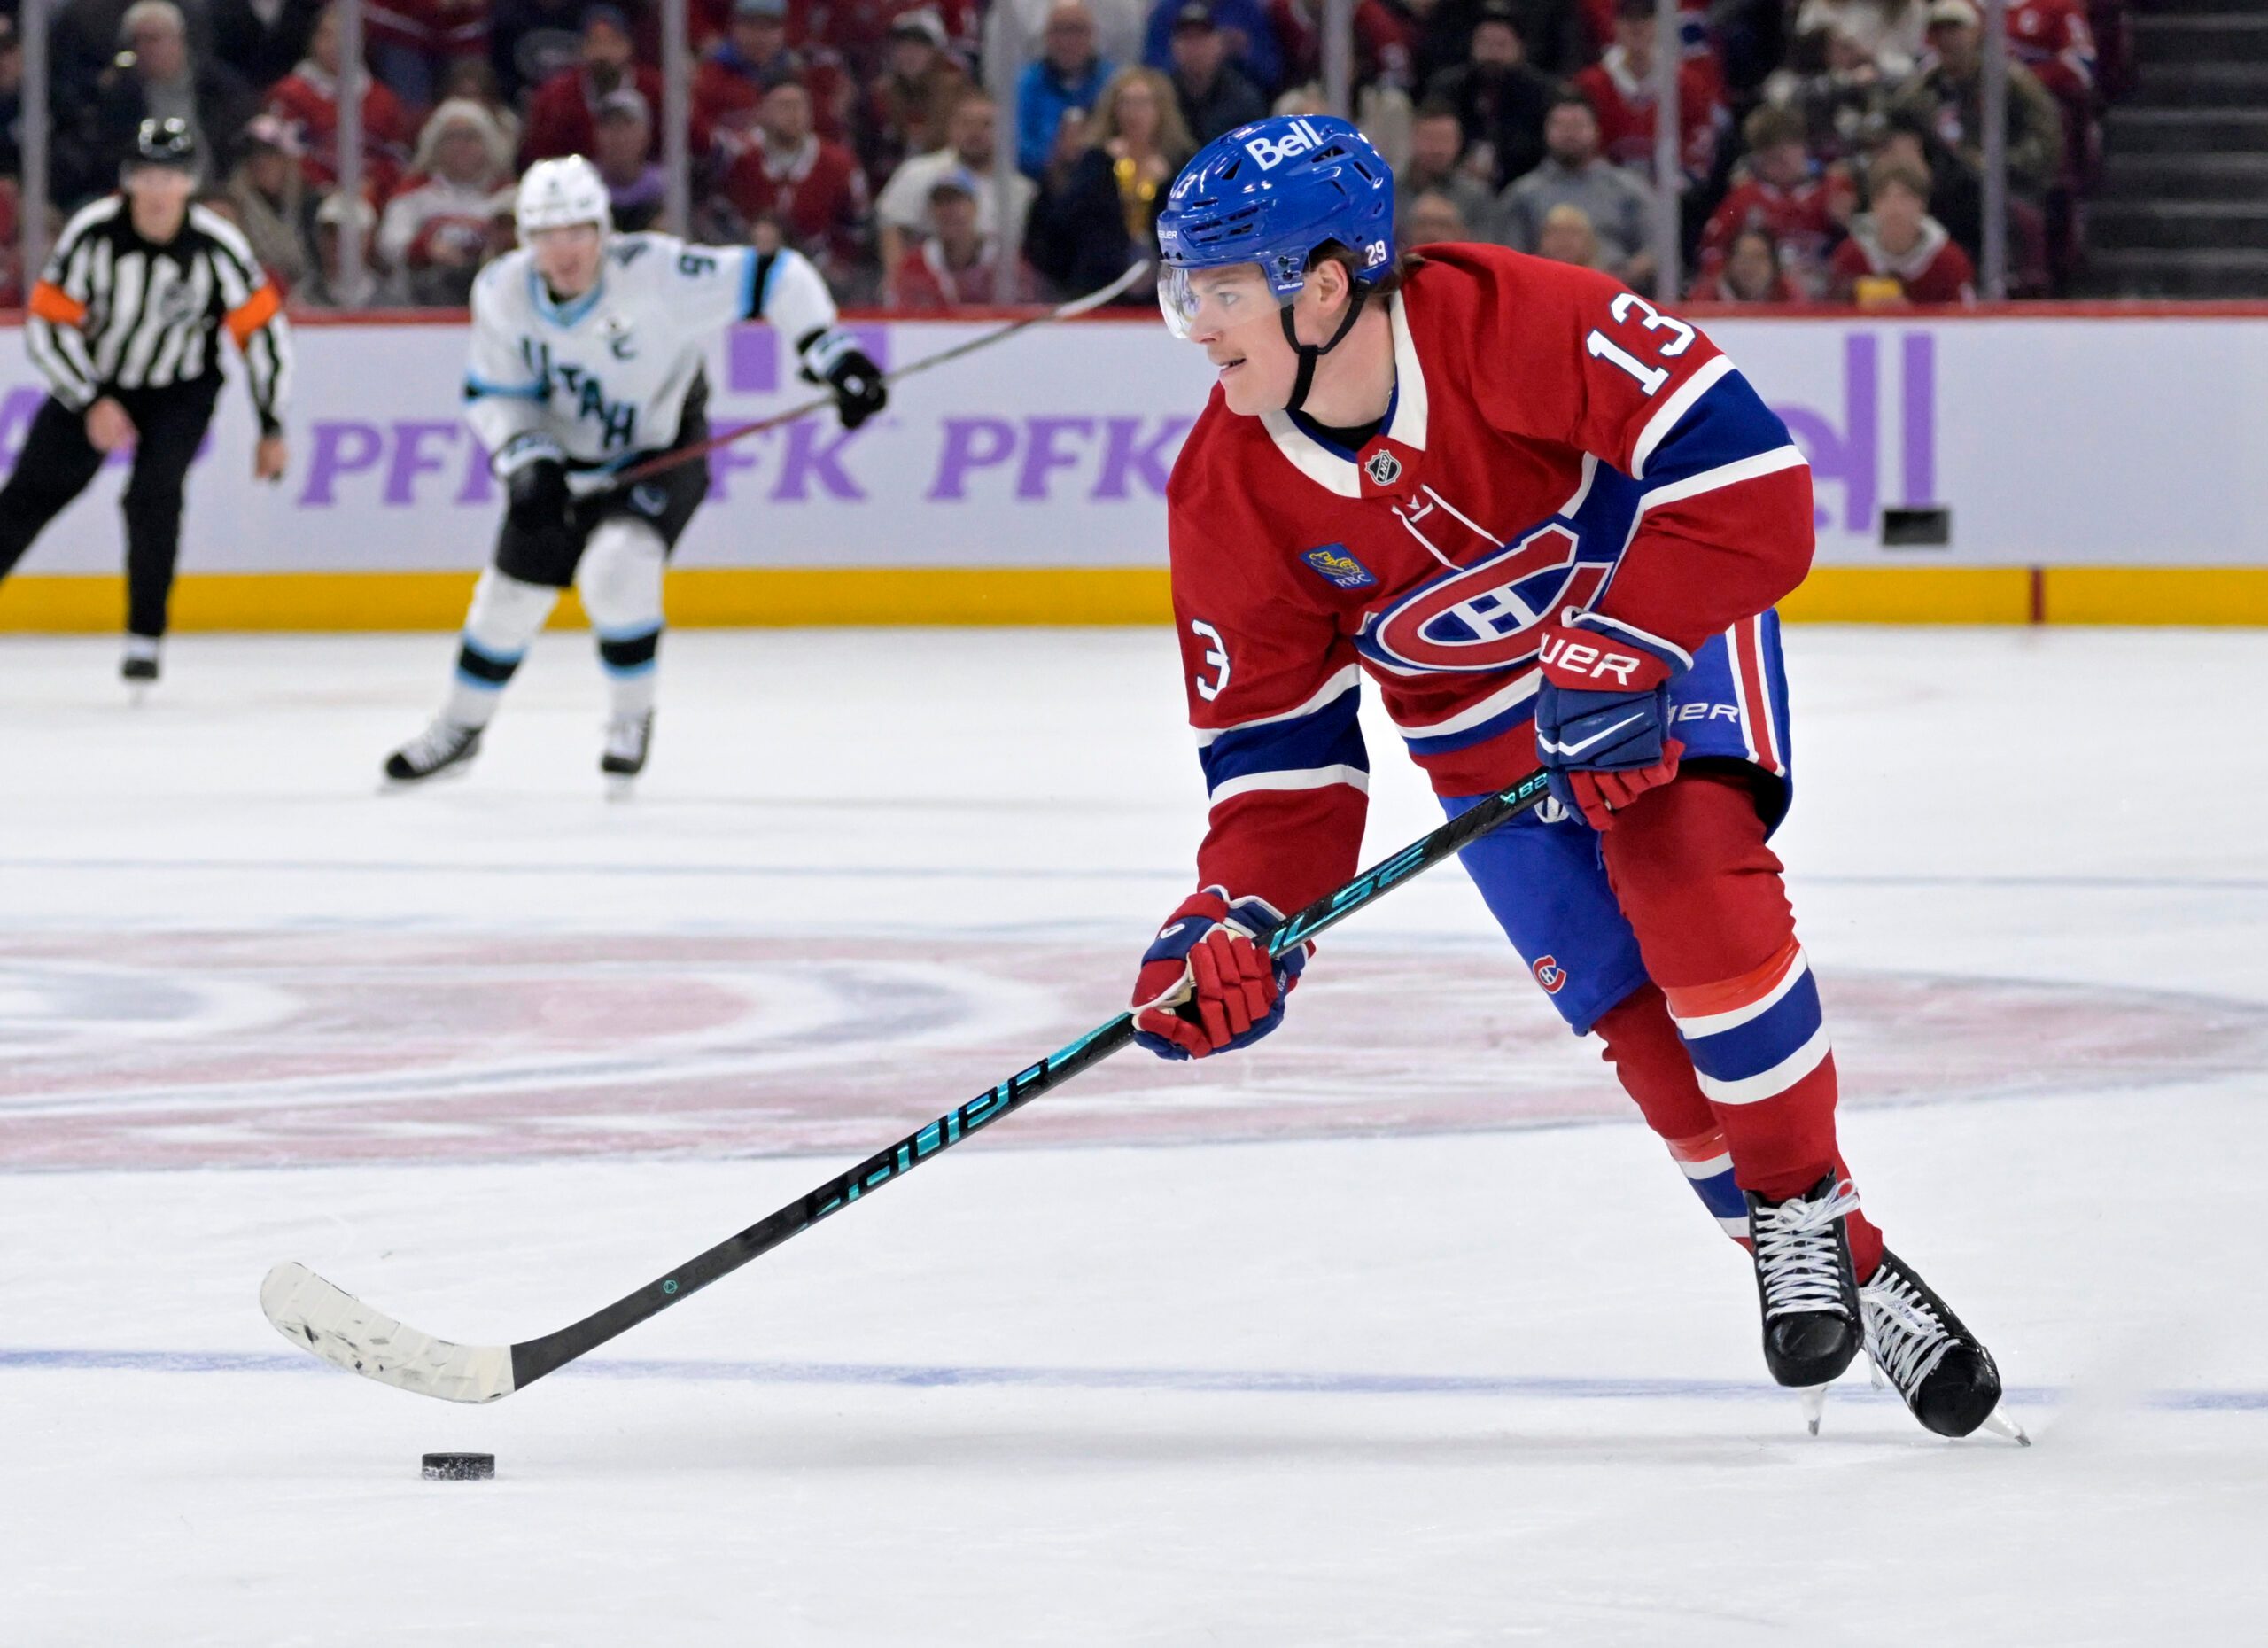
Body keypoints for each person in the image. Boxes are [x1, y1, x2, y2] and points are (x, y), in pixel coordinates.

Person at [1140, 113, 2023, 1442]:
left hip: (1656, 623)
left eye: (1217, 292)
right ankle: (1850, 1257)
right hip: (1479, 737)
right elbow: (1282, 771)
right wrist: (1236, 919)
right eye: (1184, 294)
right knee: (1640, 1029)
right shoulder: (1224, 491)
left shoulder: (1517, 318)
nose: (1195, 328)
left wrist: (1623, 642)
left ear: (1323, 286)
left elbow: (1756, 486)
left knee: (1690, 887)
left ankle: (1793, 1208)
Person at [384, 155, 888, 788]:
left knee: (618, 569)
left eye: (577, 232)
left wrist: (829, 350)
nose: (563, 251)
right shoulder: (503, 292)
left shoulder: (658, 275)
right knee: (506, 600)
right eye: (546, 235)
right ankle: (459, 727)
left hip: (658, 449)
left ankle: (630, 717)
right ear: (525, 239)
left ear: (603, 230)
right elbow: (493, 392)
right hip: (562, 459)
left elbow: (777, 276)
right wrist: (525, 457)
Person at [0, 120, 291, 688]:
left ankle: (145, 638)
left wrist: (271, 422)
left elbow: (263, 334)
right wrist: (90, 399)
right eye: (147, 176)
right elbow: (48, 324)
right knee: (27, 497)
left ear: (190, 184)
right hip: (97, 380)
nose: (159, 191)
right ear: (128, 181)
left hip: (181, 389)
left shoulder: (216, 244)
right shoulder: (93, 234)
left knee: (155, 498)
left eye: (171, 177)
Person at [1023, 65, 1192, 303]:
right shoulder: (1095, 162)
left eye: (1143, 102)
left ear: (1161, 109)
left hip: (1166, 294)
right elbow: (1066, 221)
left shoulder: (1181, 167)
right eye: (1126, 102)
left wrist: (1163, 188)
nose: (1134, 112)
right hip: (1099, 288)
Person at [874, 90, 1035, 300]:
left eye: (986, 124)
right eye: (966, 123)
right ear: (951, 127)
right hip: (928, 290)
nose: (975, 132)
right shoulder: (918, 172)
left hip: (996, 294)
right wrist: (899, 285)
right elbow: (892, 226)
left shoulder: (1020, 189)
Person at [718, 80, 872, 291]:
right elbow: (719, 211)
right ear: (762, 111)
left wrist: (838, 263)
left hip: (818, 272)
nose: (794, 114)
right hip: (745, 268)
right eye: (784, 106)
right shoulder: (739, 156)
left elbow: (857, 225)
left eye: (801, 106)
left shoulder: (840, 164)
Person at [1495, 92, 1655, 285]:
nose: (1569, 133)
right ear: (1546, 131)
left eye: (1578, 126)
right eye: (1561, 126)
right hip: (1545, 294)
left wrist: (1615, 280)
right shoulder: (1522, 195)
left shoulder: (1629, 189)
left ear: (1596, 130)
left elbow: (1655, 251)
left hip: (1616, 295)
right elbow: (1509, 259)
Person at [264, 2, 417, 202]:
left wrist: (372, 186)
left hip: (372, 199)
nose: (336, 45)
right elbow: (287, 155)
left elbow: (396, 158)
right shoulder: (289, 94)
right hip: (309, 199)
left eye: (346, 37)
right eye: (327, 35)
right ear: (314, 39)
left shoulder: (384, 100)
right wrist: (326, 187)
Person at [1697, 104, 1851, 298]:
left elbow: (1857, 250)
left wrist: (1844, 225)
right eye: (1773, 158)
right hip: (1765, 299)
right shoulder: (1744, 198)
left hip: (1825, 296)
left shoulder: (1833, 190)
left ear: (1803, 149)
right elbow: (1711, 251)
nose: (1781, 165)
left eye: (1787, 155)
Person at [377, 97, 517, 305]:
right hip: (424, 301)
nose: (462, 146)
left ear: (488, 144)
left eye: (471, 137)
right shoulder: (413, 195)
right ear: (435, 145)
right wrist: (425, 249)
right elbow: (390, 243)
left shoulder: (510, 197)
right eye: (452, 138)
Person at [1573, 0, 1721, 184]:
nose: (1637, 27)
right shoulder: (1590, 84)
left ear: (1660, 24)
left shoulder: (1687, 84)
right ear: (1615, 25)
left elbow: (1699, 143)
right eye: (1629, 19)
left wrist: (1678, 180)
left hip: (1671, 196)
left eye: (1646, 18)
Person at [1419, 1, 1559, 190]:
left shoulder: (1541, 92)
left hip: (1524, 183)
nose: (1492, 54)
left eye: (1501, 45)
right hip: (1454, 182)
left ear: (1519, 49)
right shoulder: (1449, 87)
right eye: (1485, 43)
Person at [520, 4, 667, 166]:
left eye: (612, 42)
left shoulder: (656, 89)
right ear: (582, 49)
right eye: (595, 42)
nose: (603, 53)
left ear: (628, 46)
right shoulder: (555, 97)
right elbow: (539, 157)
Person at [1829, 156, 1975, 302]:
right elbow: (1829, 315)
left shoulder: (1949, 262)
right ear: (1873, 204)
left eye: (1905, 197)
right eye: (1884, 197)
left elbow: (1966, 318)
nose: (1895, 208)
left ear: (1922, 204)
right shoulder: (1851, 257)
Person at [891, 168, 1043, 307]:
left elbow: (1023, 310)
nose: (948, 211)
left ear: (974, 206)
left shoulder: (1004, 262)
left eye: (956, 202)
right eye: (940, 203)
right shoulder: (914, 265)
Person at [1016, 1, 1116, 177]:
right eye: (1059, 30)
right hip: (1039, 187)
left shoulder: (1113, 82)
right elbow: (1015, 144)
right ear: (1046, 36)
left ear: (1092, 34)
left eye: (1076, 30)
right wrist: (1054, 158)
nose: (1067, 41)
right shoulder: (1026, 84)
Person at [225, 113, 319, 292]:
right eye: (252, 153)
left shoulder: (311, 203)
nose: (260, 161)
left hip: (314, 299)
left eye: (269, 153)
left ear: (287, 158)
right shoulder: (233, 205)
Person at [1394, 98, 1498, 244]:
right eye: (1430, 139)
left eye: (1444, 139)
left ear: (1459, 143)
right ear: (1412, 138)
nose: (1437, 149)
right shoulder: (1389, 192)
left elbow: (1487, 250)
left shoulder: (1477, 197)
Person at [1166, 4, 1267, 144]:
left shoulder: (1242, 99)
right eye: (1187, 38)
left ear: (1218, 44)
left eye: (1202, 38)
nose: (1195, 48)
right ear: (1174, 47)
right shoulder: (1163, 96)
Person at [1689, 224, 1796, 300]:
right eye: (1743, 258)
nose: (1751, 266)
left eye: (1758, 257)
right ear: (1729, 262)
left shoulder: (1787, 294)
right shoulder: (1704, 299)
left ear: (1774, 265)